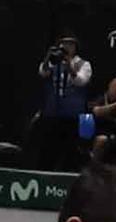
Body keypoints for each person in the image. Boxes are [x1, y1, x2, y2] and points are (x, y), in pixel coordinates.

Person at [32, 31, 92, 171]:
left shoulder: (84, 64)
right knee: (47, 150)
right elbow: (43, 72)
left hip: (73, 115)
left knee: (70, 152)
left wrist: (68, 62)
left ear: (75, 46)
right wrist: (48, 56)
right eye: (64, 43)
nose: (66, 46)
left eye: (70, 44)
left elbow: (80, 81)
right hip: (52, 112)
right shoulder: (53, 63)